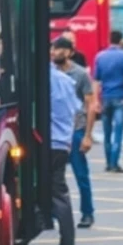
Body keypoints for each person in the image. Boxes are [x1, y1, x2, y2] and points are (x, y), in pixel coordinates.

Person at [54, 36, 96, 228]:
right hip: (55, 133)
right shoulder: (50, 73)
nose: (57, 52)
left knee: (81, 176)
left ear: (70, 53)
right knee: (54, 177)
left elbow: (90, 105)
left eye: (62, 49)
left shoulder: (80, 75)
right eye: (54, 49)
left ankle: (87, 213)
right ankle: (54, 213)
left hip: (75, 132)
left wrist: (87, 136)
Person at [48, 54, 82, 245]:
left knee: (55, 191)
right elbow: (77, 109)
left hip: (47, 143)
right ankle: (67, 241)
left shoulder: (42, 81)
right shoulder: (66, 80)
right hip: (63, 142)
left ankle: (66, 243)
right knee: (60, 191)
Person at [93, 30, 123, 173]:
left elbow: (96, 80)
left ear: (109, 39)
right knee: (118, 132)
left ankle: (108, 163)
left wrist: (96, 100)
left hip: (106, 97)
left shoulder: (100, 56)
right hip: (120, 97)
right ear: (120, 41)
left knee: (107, 133)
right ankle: (114, 163)